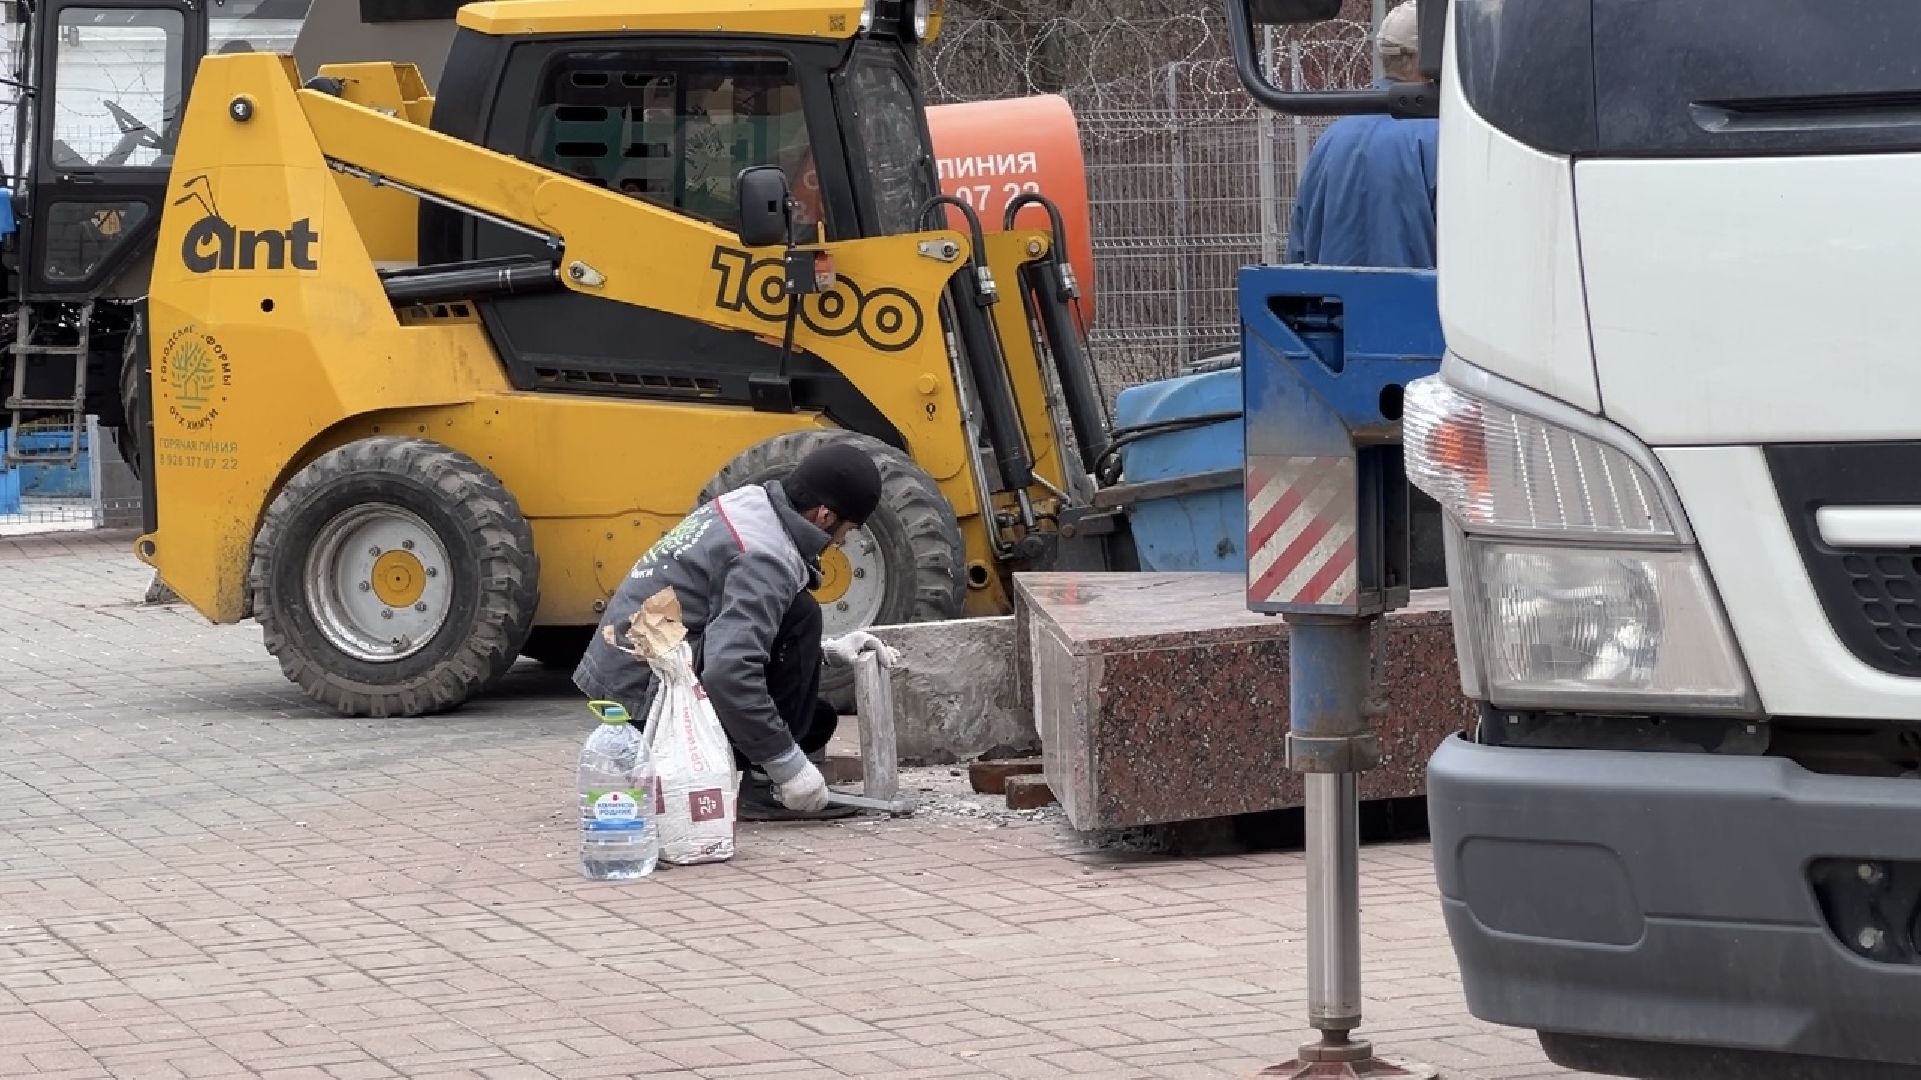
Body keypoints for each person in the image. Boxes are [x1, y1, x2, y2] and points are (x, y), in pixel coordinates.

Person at [573, 442, 899, 821]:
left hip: (628, 677)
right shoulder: (764, 556)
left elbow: (720, 616)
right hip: (647, 704)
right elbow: (729, 674)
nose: (841, 542)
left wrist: (825, 651)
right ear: (825, 515)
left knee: (815, 720)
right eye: (847, 530)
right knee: (803, 616)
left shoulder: (753, 505)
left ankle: (767, 769)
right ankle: (766, 789)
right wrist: (786, 767)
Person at [1285, 0, 1438, 269]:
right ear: (1432, 61)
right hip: (1418, 308)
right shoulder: (1442, 140)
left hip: (1335, 309)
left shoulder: (1331, 139)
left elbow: (1299, 252)